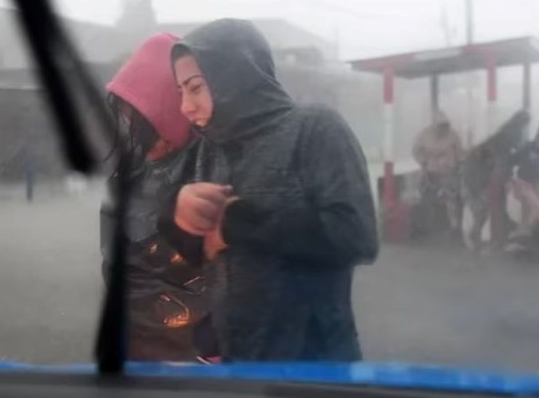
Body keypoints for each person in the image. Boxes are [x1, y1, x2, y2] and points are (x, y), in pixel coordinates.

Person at [169, 18, 379, 362]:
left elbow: (356, 235)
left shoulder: (314, 128)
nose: (185, 106)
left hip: (314, 365)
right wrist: (187, 225)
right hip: (239, 364)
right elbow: (213, 257)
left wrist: (237, 221)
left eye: (195, 88)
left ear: (234, 78)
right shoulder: (211, 148)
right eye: (181, 92)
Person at [100, 33, 218, 362]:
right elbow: (115, 262)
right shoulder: (126, 177)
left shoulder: (214, 164)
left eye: (140, 117)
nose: (131, 125)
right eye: (126, 115)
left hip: (203, 352)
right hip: (139, 346)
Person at [462, 110, 531, 253]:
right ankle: (496, 240)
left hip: (486, 177)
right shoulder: (510, 135)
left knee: (490, 209)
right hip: (484, 178)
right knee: (492, 209)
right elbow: (503, 159)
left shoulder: (504, 134)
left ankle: (488, 237)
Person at [506, 123, 539, 253]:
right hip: (522, 183)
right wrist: (508, 180)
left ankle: (519, 241)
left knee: (528, 213)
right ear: (538, 138)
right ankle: (521, 235)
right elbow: (510, 161)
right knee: (538, 207)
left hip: (536, 187)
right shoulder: (527, 149)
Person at [412, 112, 463, 242]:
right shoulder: (425, 135)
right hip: (430, 172)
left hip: (448, 171)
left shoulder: (452, 135)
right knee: (426, 199)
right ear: (434, 126)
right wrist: (423, 161)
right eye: (440, 126)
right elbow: (416, 150)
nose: (443, 129)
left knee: (452, 199)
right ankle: (425, 227)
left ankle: (455, 228)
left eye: (445, 126)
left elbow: (460, 151)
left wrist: (455, 163)